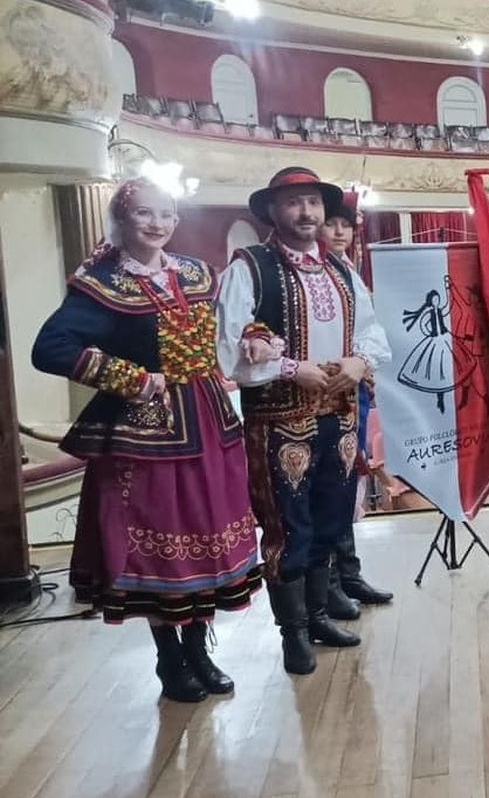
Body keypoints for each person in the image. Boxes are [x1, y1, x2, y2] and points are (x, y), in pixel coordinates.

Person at [32, 178, 262, 702]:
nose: (158, 224)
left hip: (205, 422)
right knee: (158, 544)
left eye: (167, 214)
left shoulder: (197, 272)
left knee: (206, 535)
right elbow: (50, 348)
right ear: (122, 219)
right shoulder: (100, 282)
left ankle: (200, 649)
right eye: (144, 214)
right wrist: (130, 378)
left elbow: (230, 327)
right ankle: (169, 659)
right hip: (144, 435)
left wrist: (253, 339)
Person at [217, 166, 391, 675]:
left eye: (313, 202)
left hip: (338, 417)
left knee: (331, 519)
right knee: (288, 528)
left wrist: (360, 362)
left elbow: (372, 331)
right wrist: (293, 368)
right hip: (277, 420)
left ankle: (317, 616)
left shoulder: (340, 270)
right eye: (294, 202)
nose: (307, 212)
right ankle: (292, 633)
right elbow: (227, 350)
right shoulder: (249, 267)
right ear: (272, 210)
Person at [317, 192, 395, 616]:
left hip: (355, 388)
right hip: (325, 389)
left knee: (348, 477)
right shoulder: (313, 272)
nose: (339, 232)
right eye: (332, 224)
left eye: (346, 225)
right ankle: (328, 581)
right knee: (330, 484)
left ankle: (348, 572)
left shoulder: (348, 269)